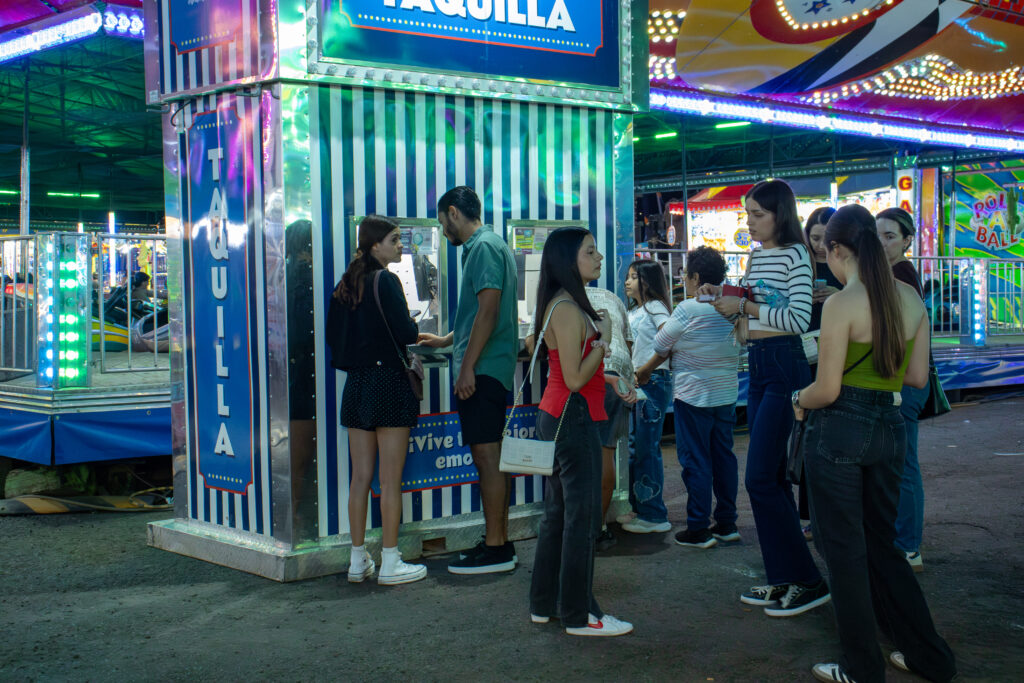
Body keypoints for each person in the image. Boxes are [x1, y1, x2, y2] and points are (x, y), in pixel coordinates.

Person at [793, 205, 957, 683]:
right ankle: (932, 657)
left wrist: (796, 398)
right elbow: (917, 377)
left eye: (827, 253)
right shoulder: (910, 299)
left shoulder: (844, 303)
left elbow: (825, 390)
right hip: (890, 426)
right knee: (884, 547)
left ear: (840, 249)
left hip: (840, 428)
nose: (828, 261)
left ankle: (862, 668)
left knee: (843, 552)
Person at [700, 179, 830, 617]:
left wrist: (746, 309)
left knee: (760, 478)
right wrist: (726, 302)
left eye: (757, 214)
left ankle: (808, 580)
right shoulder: (756, 256)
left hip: (783, 365)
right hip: (758, 363)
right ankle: (785, 578)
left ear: (780, 214)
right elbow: (750, 316)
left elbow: (796, 318)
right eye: (749, 213)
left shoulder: (796, 254)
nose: (750, 222)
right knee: (769, 478)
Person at [528, 226, 632, 637]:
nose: (600, 258)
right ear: (569, 260)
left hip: (562, 413)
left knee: (559, 516)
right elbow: (573, 377)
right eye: (591, 252)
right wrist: (603, 343)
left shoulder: (562, 304)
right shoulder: (569, 308)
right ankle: (578, 614)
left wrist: (602, 377)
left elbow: (570, 373)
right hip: (573, 417)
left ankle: (545, 604)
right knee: (581, 519)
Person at [418, 186, 519, 574]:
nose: (445, 232)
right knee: (488, 459)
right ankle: (497, 540)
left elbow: (489, 311)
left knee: (487, 460)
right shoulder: (491, 245)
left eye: (444, 223)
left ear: (455, 213)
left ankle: (497, 548)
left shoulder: (482, 247)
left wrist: (466, 367)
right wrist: (448, 339)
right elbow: (480, 311)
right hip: (488, 366)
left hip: (484, 371)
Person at [326, 215, 426, 586]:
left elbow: (335, 341)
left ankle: (356, 560)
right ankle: (390, 561)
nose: (400, 246)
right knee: (390, 479)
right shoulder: (388, 280)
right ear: (375, 245)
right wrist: (414, 325)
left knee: (360, 479)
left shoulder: (344, 285)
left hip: (357, 385)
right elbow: (406, 331)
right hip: (389, 383)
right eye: (395, 240)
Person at [637, 246, 741, 549]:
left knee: (695, 459)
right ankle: (727, 523)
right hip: (726, 393)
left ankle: (698, 527)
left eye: (686, 274)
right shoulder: (734, 306)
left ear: (695, 277)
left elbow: (660, 342)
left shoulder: (688, 309)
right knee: (724, 457)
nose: (684, 278)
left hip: (693, 394)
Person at [876, 207, 928, 573]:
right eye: (876, 234)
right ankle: (901, 541)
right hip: (899, 376)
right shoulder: (887, 274)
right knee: (897, 463)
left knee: (904, 465)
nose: (881, 242)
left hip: (904, 378)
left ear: (907, 241)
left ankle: (908, 545)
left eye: (890, 236)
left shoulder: (901, 274)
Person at [797, 206, 842, 539]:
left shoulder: (846, 266)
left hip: (836, 352)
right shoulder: (799, 263)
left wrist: (838, 296)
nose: (820, 245)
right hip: (804, 354)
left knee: (831, 438)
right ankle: (810, 516)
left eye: (826, 239)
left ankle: (829, 515)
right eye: (814, 237)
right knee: (807, 437)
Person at [622, 259, 673, 534]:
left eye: (633, 277)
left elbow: (668, 339)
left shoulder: (654, 308)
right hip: (640, 382)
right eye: (628, 277)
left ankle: (654, 515)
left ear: (647, 282)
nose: (627, 282)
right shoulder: (637, 310)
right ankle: (641, 508)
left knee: (646, 448)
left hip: (652, 382)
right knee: (637, 447)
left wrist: (646, 368)